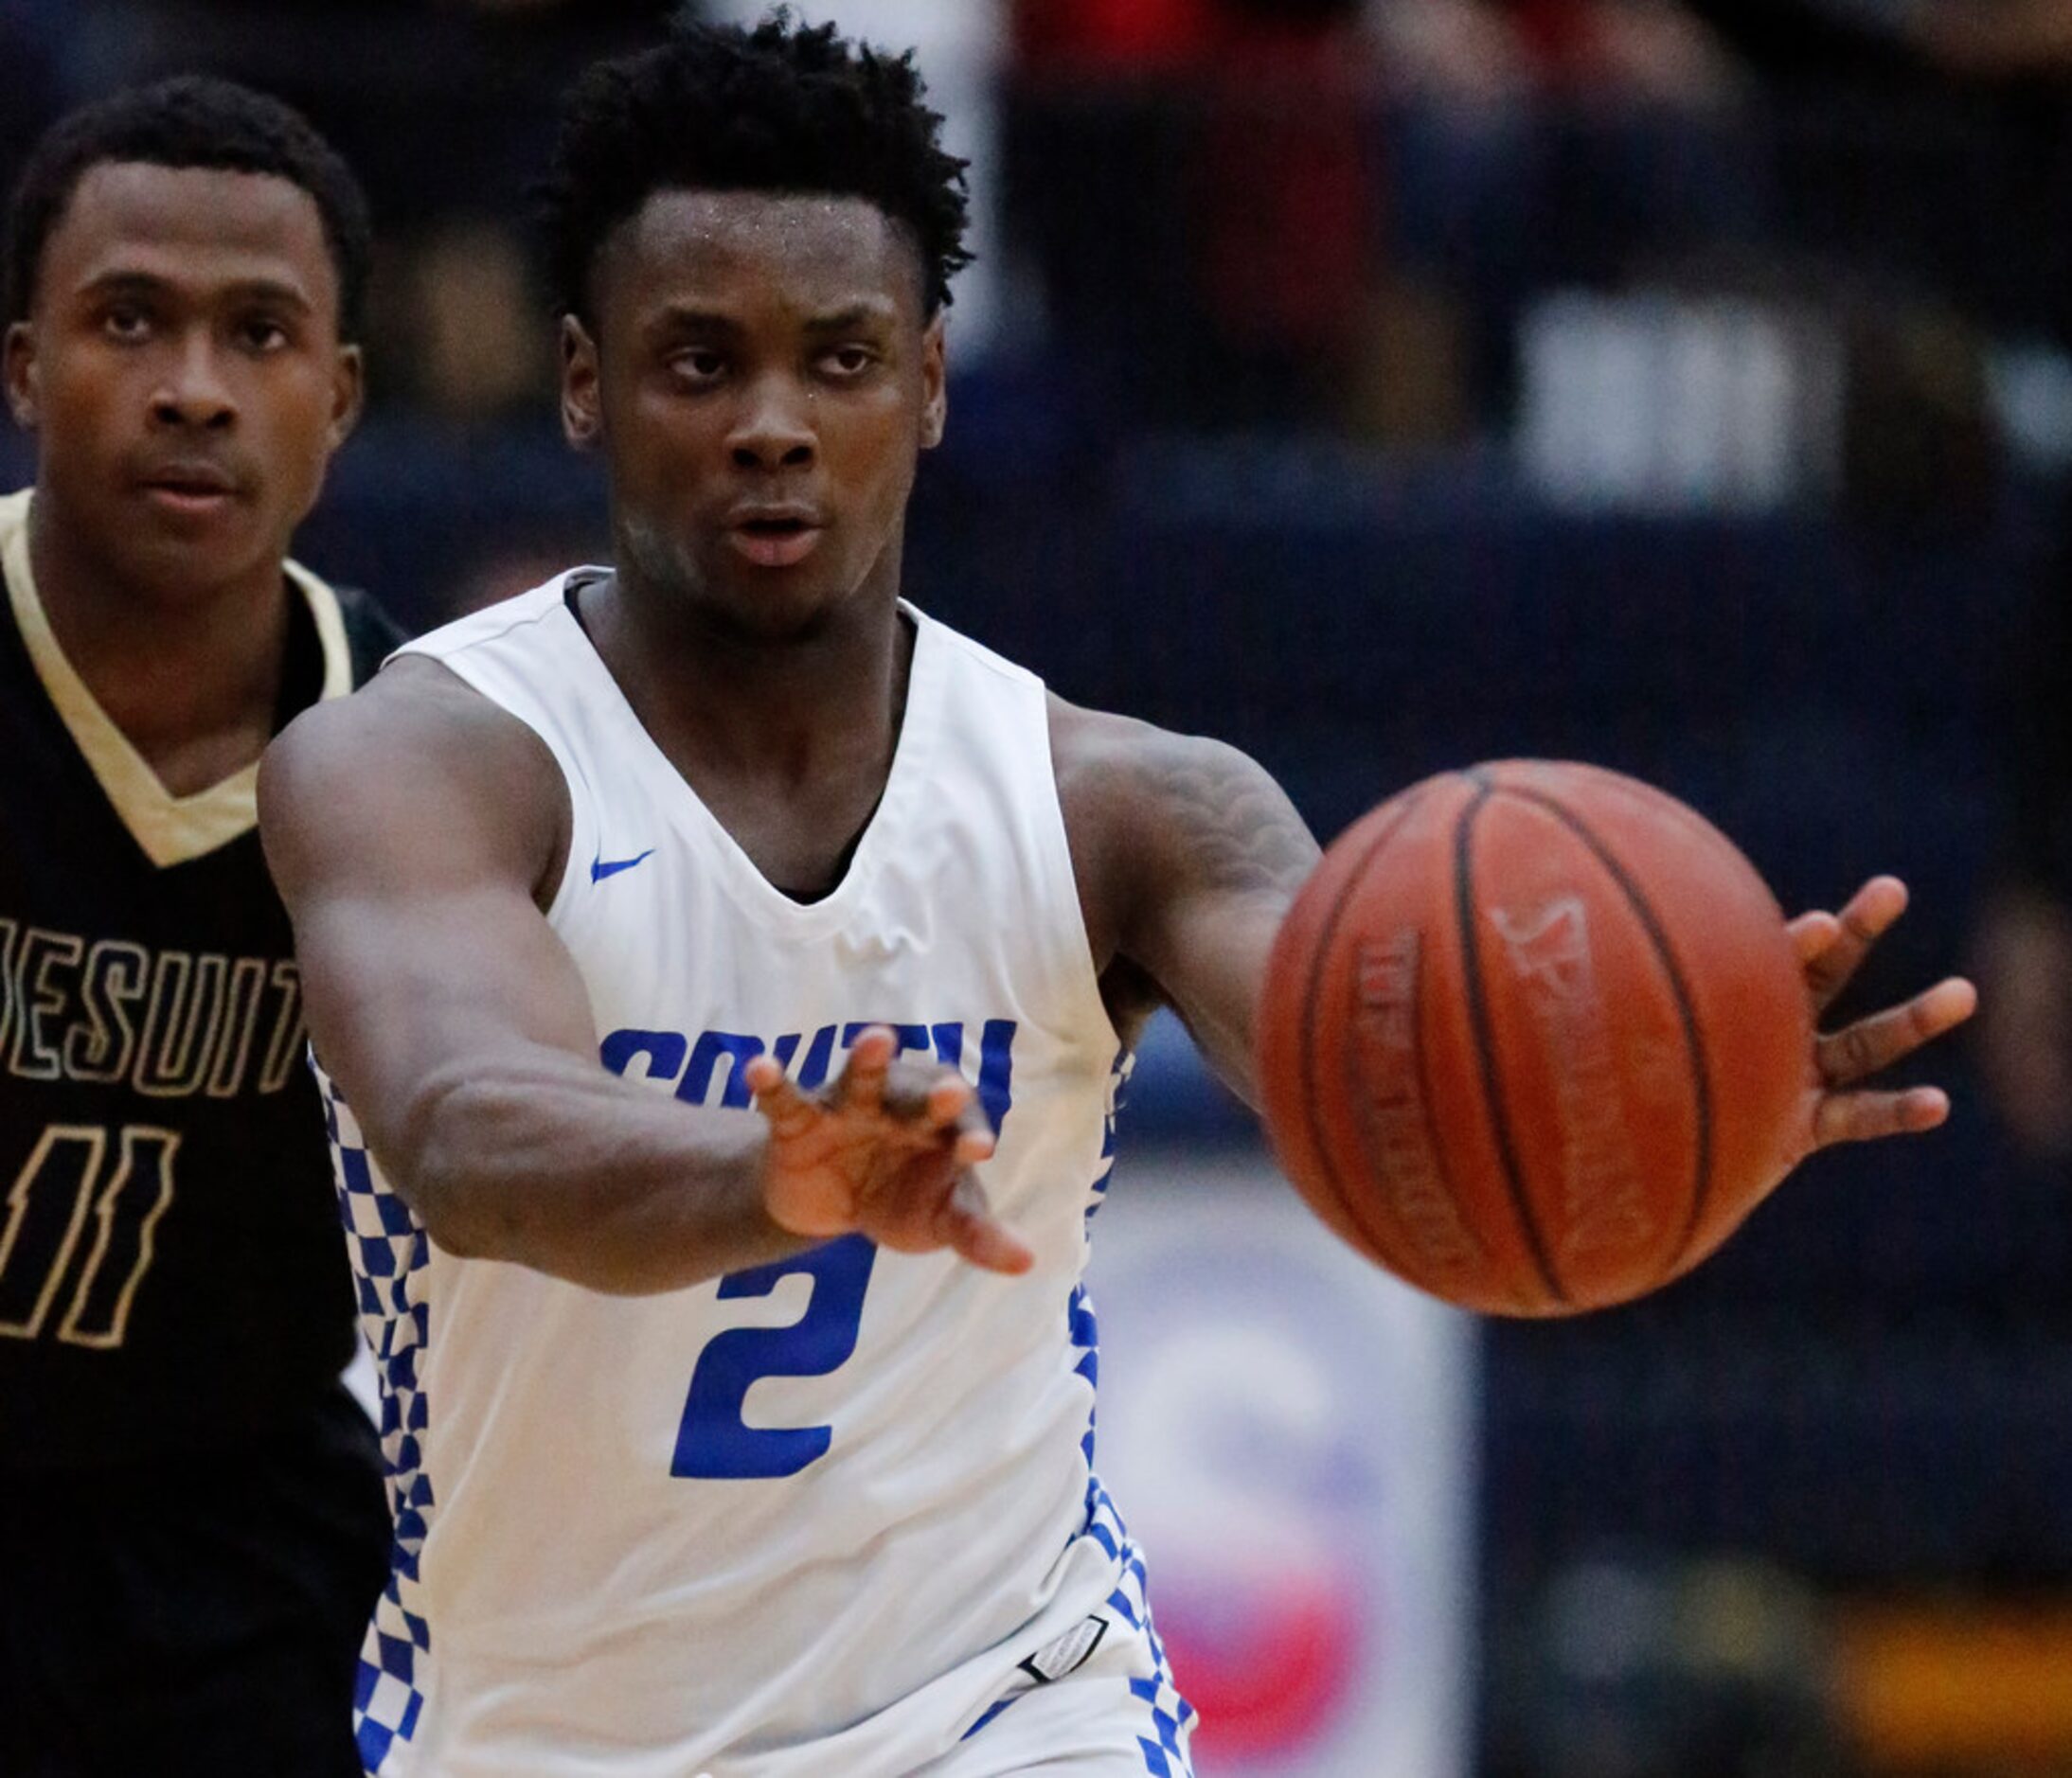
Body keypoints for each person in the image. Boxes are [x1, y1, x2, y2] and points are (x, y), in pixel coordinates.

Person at [258, 14, 1975, 1776]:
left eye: (838, 360)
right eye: (700, 363)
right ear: (583, 384)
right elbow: (464, 1128)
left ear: (927, 383)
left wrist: (1659, 1087)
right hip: (538, 1725)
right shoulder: (423, 761)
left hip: (1004, 1702)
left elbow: (1369, 1062)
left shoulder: (1126, 808)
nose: (774, 424)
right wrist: (769, 1171)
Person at [0, 77, 397, 1776]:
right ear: (24, 366)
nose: (192, 389)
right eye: (129, 321)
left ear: (342, 399)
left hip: (233, 1550)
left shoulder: (419, 734)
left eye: (260, 334)